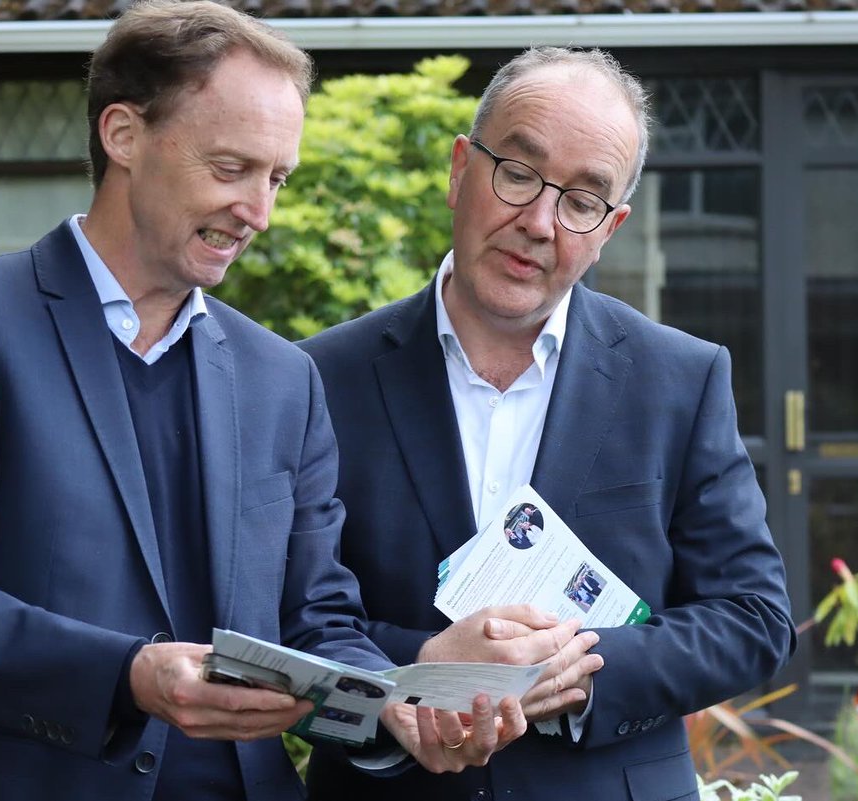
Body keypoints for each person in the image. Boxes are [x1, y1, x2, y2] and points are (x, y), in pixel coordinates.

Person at [0, 3, 525, 799]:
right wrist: (126, 675)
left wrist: (399, 711)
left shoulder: (282, 377)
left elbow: (316, 624)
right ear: (123, 135)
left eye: (277, 178)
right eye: (232, 168)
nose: (260, 213)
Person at [300, 46, 796, 801]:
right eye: (519, 173)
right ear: (460, 169)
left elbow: (754, 618)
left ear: (611, 226)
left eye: (582, 199)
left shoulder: (680, 379)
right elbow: (288, 624)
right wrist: (426, 668)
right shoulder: (319, 378)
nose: (537, 221)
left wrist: (575, 672)